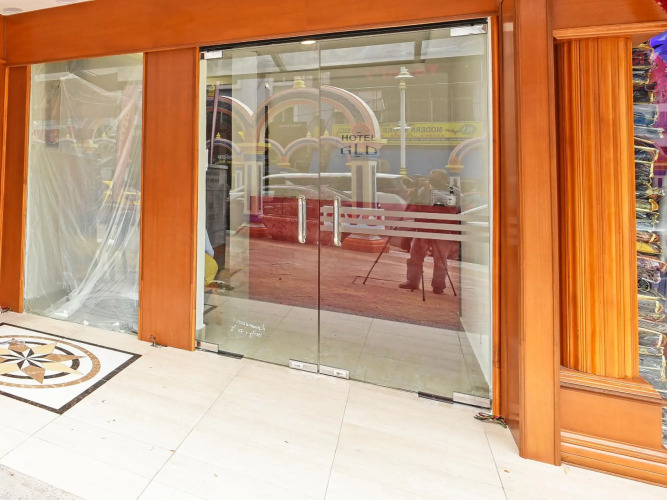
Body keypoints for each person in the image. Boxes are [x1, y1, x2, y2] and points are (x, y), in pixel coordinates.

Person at [398, 169, 455, 295]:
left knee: (440, 259)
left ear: (444, 179)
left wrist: (429, 190)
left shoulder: (453, 190)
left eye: (434, 177)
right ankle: (412, 281)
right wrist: (415, 195)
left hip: (441, 230)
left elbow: (447, 207)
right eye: (430, 177)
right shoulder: (425, 189)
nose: (431, 180)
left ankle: (438, 285)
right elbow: (417, 207)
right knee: (415, 255)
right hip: (423, 228)